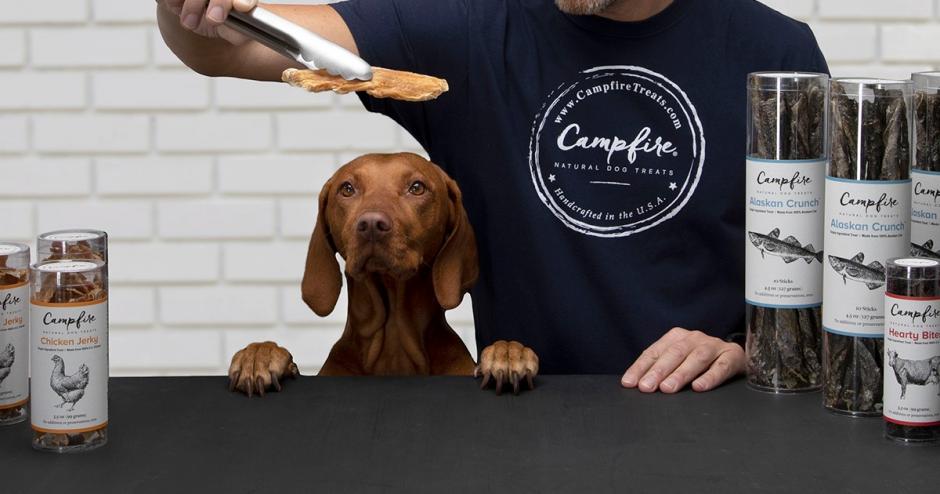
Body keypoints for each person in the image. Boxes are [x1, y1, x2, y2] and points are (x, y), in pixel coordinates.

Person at [157, 0, 829, 393]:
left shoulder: (775, 52)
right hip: (521, 424)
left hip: (715, 429)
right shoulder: (468, 33)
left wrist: (748, 353)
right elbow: (227, 47)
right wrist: (187, 7)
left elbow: (836, 292)